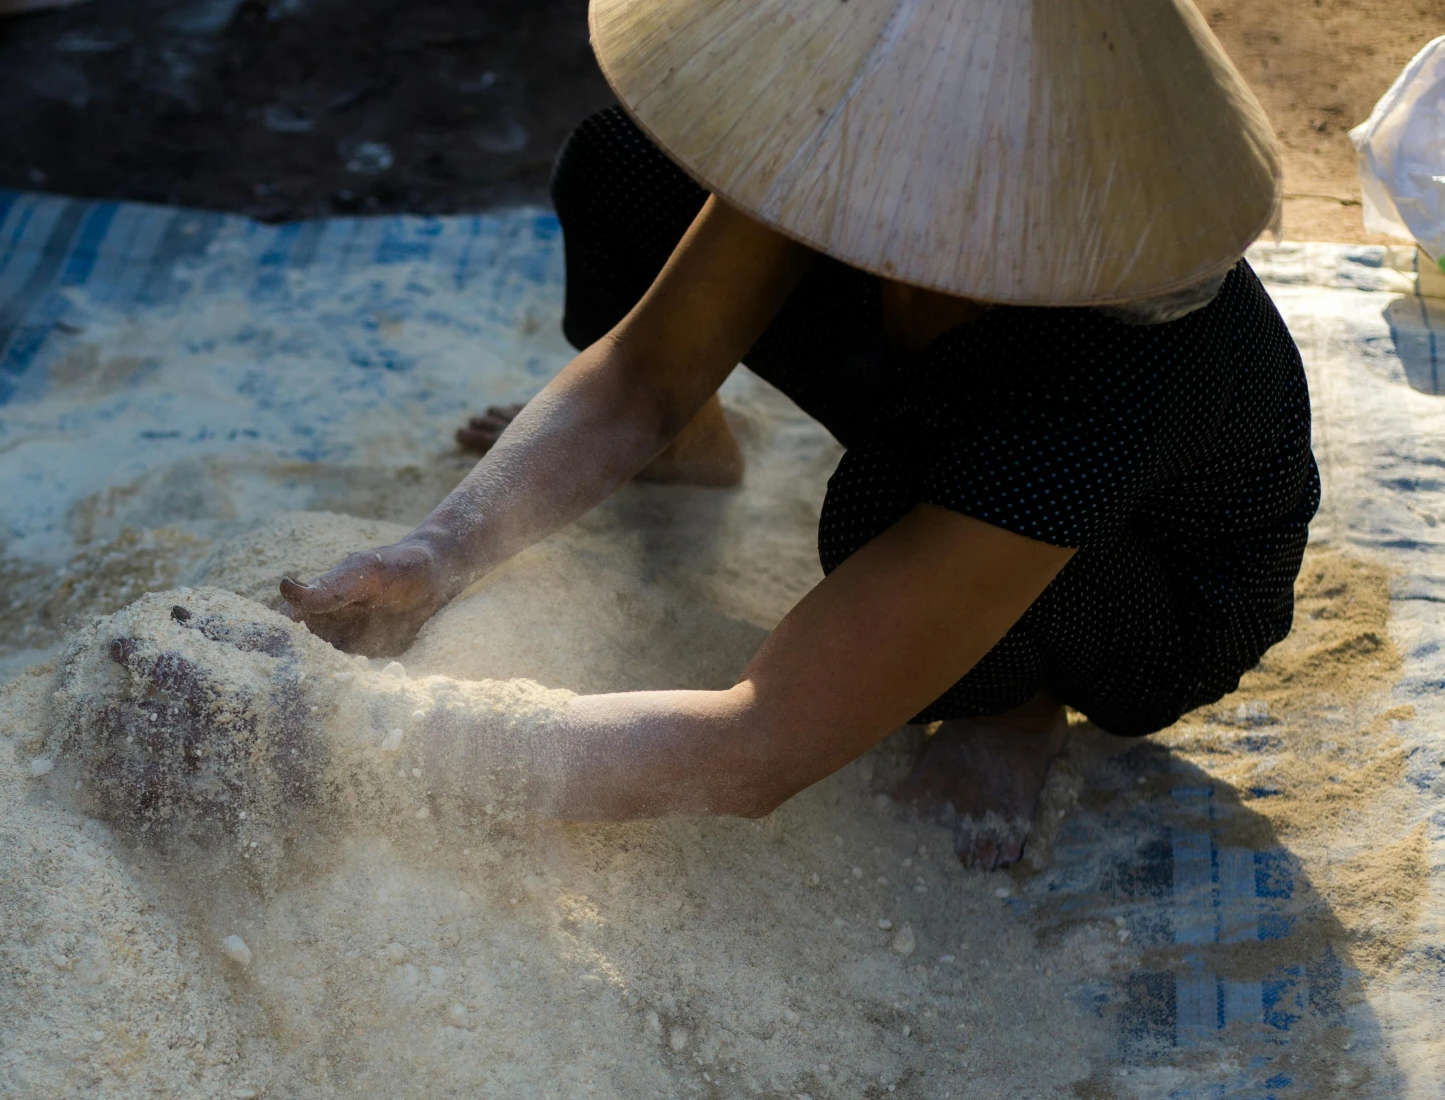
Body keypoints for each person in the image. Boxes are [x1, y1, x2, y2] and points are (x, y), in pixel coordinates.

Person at [275, 0, 1320, 869]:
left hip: (1146, 592)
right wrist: (441, 549)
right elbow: (646, 368)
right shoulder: (875, 134)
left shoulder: (1110, 369)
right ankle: (694, 454)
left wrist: (339, 740)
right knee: (628, 168)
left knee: (883, 502)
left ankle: (1018, 703)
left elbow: (758, 747)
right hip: (963, 397)